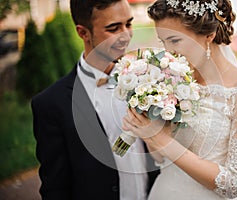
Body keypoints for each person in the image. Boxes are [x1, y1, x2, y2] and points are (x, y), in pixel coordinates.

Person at [122, 0, 237, 199]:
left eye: (174, 40)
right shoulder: (171, 79)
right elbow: (159, 157)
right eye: (163, 42)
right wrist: (147, 129)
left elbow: (233, 184)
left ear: (209, 35)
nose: (168, 52)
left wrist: (163, 141)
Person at [31, 0, 158, 199]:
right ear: (83, 33)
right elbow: (55, 188)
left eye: (129, 24)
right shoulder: (51, 105)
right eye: (113, 28)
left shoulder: (146, 80)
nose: (126, 35)